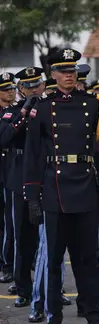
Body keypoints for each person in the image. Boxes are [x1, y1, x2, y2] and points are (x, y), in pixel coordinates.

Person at [23, 48, 99, 324]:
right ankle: (54, 314)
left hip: (86, 187)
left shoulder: (93, 104)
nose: (68, 75)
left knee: (88, 259)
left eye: (72, 70)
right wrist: (32, 197)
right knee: (53, 262)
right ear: (53, 75)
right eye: (63, 71)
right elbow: (33, 155)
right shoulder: (42, 107)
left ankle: (93, 313)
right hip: (54, 191)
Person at [0, 67, 48, 320]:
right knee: (23, 237)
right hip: (19, 177)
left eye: (36, 85)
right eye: (28, 87)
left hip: (47, 177)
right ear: (20, 90)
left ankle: (52, 287)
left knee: (50, 239)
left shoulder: (52, 108)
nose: (33, 90)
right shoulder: (12, 112)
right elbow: (4, 138)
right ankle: (23, 287)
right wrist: (26, 112)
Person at [0, 72, 16, 287]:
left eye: (12, 88)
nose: (11, 92)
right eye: (6, 89)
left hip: (11, 170)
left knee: (9, 221)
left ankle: (8, 263)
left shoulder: (16, 111)